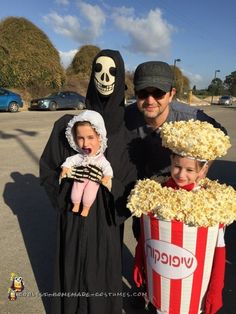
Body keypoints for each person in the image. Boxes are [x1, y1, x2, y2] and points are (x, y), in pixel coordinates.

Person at [124, 60, 227, 311]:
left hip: (183, 192)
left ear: (171, 93)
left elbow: (220, 134)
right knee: (147, 243)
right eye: (142, 93)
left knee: (184, 257)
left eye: (158, 93)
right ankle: (150, 291)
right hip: (150, 193)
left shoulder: (190, 117)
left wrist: (201, 171)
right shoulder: (127, 116)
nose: (150, 100)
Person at [39, 49, 136, 314]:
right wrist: (66, 182)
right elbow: (48, 169)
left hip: (105, 225)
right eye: (99, 70)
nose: (105, 78)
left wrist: (109, 186)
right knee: (71, 275)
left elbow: (132, 185)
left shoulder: (127, 133)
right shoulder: (67, 127)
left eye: (112, 72)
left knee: (100, 278)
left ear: (121, 79)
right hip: (72, 221)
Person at [130, 119, 232, 314]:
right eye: (177, 166)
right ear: (171, 162)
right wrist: (140, 260)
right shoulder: (157, 192)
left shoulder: (211, 204)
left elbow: (219, 251)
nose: (181, 174)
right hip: (160, 287)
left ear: (203, 170)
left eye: (189, 170)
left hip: (192, 297)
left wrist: (215, 291)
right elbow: (146, 234)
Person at [60, 110, 113, 216]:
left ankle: (86, 207)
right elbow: (70, 161)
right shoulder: (80, 156)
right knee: (76, 190)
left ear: (100, 137)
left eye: (90, 137)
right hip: (80, 178)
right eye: (80, 138)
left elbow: (107, 167)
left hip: (93, 181)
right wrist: (65, 167)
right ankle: (75, 204)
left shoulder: (100, 159)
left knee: (90, 193)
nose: (85, 143)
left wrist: (107, 177)